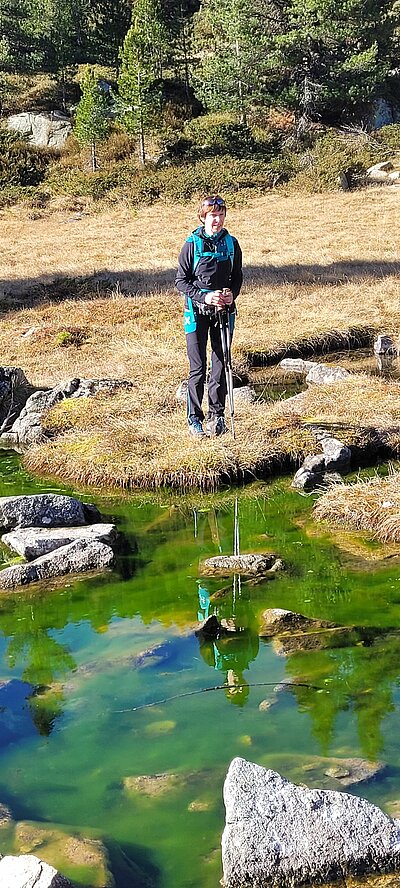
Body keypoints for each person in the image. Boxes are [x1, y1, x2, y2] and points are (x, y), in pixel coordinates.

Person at [175, 195, 243, 437]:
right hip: (196, 313)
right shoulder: (191, 244)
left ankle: (218, 416)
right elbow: (181, 281)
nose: (218, 220)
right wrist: (204, 297)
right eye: (213, 215)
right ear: (203, 217)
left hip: (224, 312)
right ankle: (195, 420)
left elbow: (237, 276)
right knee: (198, 368)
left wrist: (231, 295)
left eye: (221, 215)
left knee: (221, 364)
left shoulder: (232, 244)